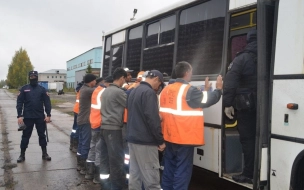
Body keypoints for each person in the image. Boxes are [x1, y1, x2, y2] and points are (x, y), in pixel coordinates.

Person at [159, 61, 223, 190]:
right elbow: (206, 100)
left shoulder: (166, 89)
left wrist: (205, 90)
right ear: (187, 73)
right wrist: (218, 90)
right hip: (184, 137)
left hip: (169, 136)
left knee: (169, 167)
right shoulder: (188, 90)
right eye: (192, 72)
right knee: (182, 170)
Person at [223, 29, 257, 184]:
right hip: (267, 106)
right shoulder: (272, 56)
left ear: (248, 41)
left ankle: (249, 174)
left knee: (248, 140)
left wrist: (228, 104)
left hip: (247, 106)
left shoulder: (242, 58)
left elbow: (230, 83)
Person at [127, 70, 166, 190]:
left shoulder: (134, 90)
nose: (157, 87)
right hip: (145, 142)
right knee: (152, 179)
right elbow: (152, 120)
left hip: (132, 139)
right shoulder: (149, 93)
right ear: (156, 80)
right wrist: (160, 140)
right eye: (159, 84)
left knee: (135, 176)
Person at [99, 68, 127, 190]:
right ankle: (117, 187)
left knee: (105, 158)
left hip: (104, 128)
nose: (124, 82)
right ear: (121, 78)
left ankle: (105, 186)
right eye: (124, 79)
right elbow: (130, 103)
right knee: (116, 160)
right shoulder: (118, 92)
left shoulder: (105, 91)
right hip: (114, 130)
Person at [16, 71, 52, 163]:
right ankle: (22, 155)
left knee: (42, 135)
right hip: (27, 117)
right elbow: (19, 103)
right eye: (31, 76)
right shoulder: (24, 89)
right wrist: (19, 115)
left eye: (34, 76)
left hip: (40, 117)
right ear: (29, 77)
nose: (33, 77)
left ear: (37, 77)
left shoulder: (42, 89)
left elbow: (47, 103)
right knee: (25, 136)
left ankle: (44, 153)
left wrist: (48, 115)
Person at [84, 77, 107, 181]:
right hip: (99, 123)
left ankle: (89, 173)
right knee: (99, 150)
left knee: (92, 147)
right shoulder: (103, 91)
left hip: (93, 122)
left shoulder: (96, 90)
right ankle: (97, 177)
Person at [76, 74, 96, 174]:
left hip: (81, 119)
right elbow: (100, 91)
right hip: (85, 120)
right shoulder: (88, 90)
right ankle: (84, 166)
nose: (95, 83)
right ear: (91, 81)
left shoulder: (83, 89)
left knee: (81, 142)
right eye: (95, 81)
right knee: (85, 143)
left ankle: (79, 164)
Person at [70, 81, 84, 153]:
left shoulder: (79, 89)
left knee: (74, 128)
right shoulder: (83, 90)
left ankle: (72, 144)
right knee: (77, 128)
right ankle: (75, 145)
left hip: (76, 109)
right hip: (80, 111)